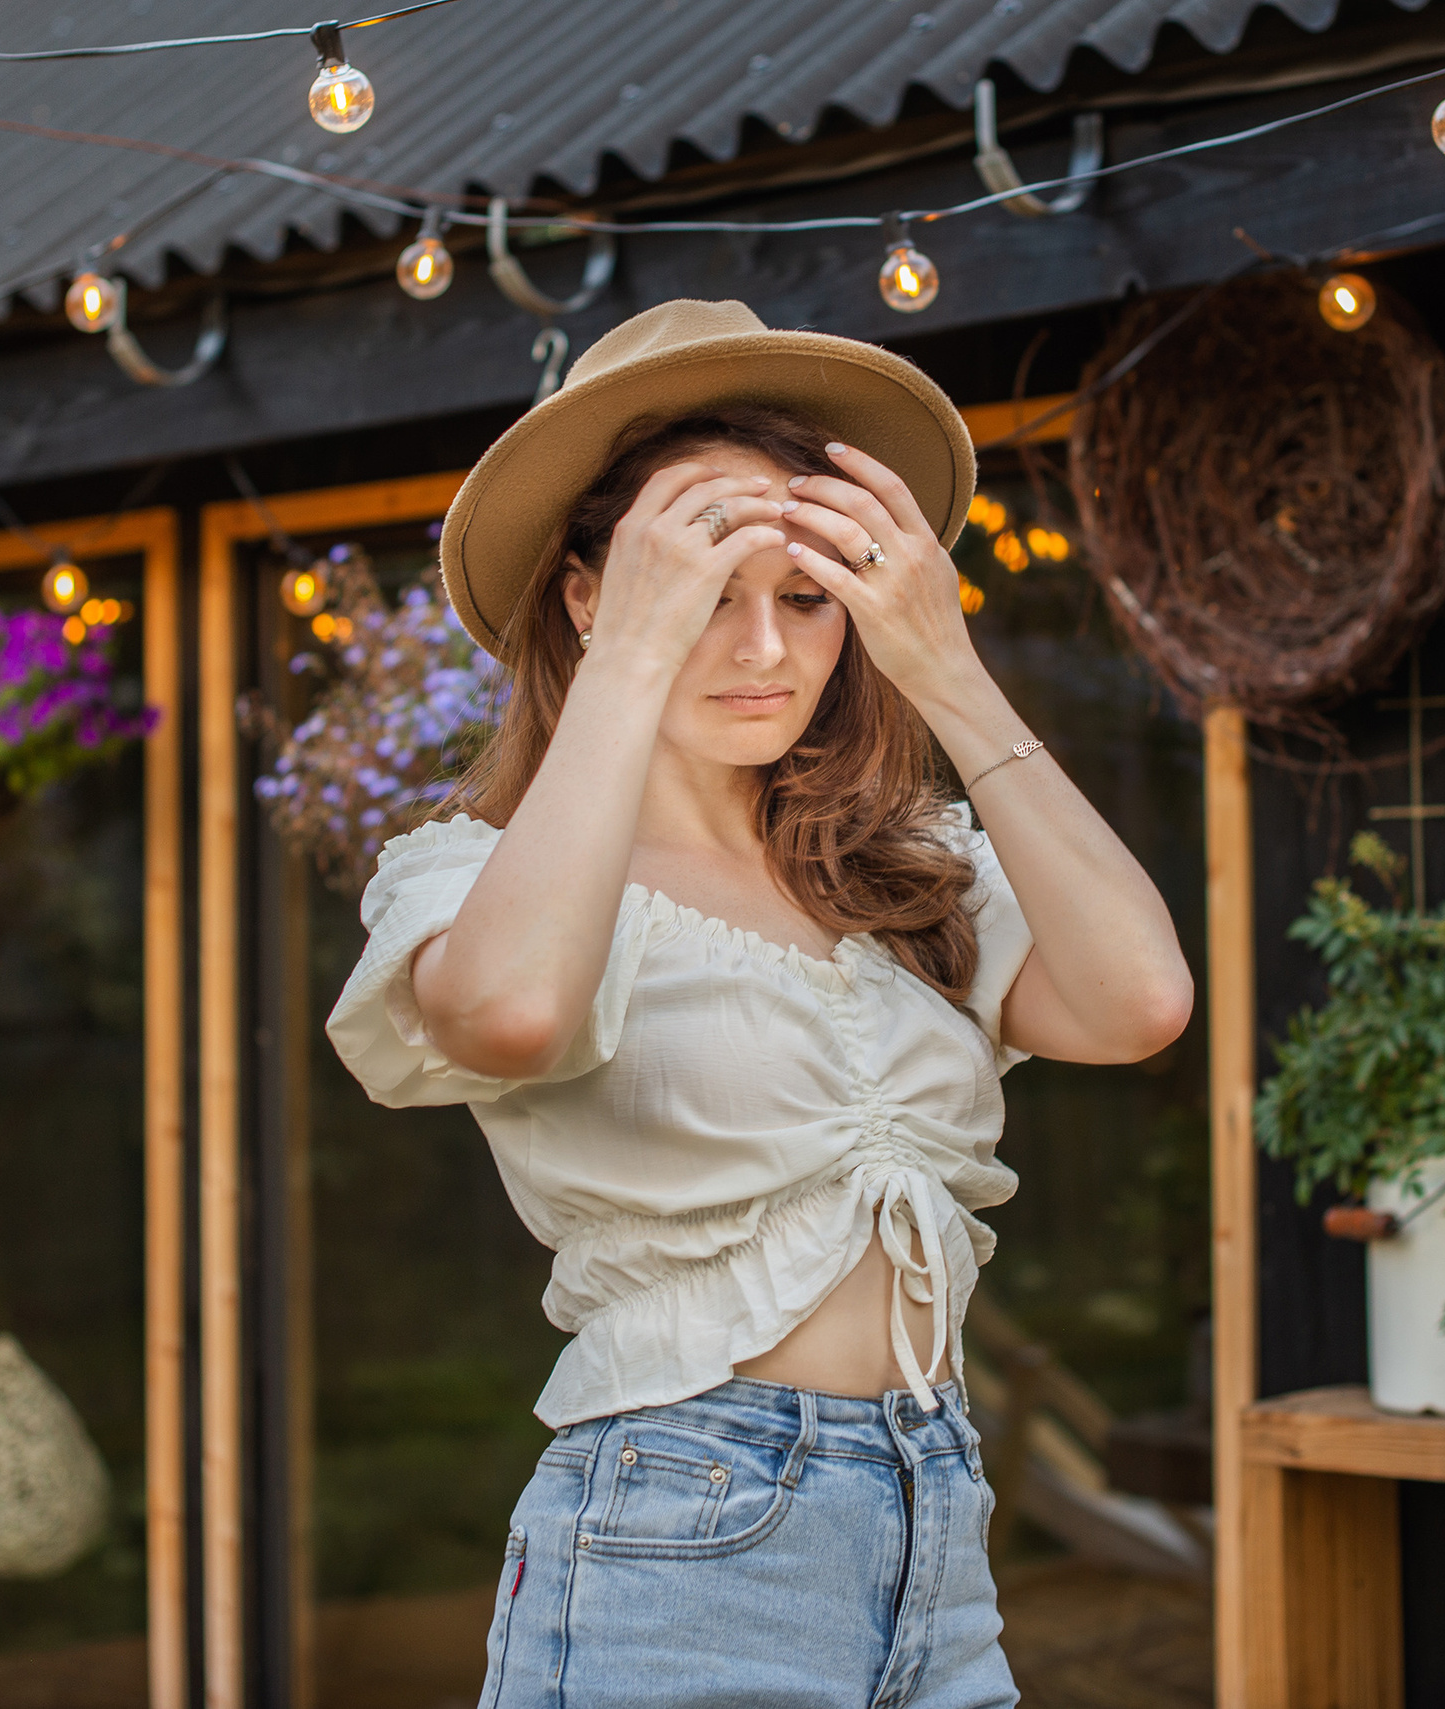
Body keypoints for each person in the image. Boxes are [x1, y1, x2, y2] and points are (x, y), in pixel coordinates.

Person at [327, 299, 1191, 1709]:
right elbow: (507, 1015)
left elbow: (1142, 997)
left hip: (938, 1522)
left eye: (806, 597)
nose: (767, 649)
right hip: (680, 1534)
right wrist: (632, 658)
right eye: (704, 587)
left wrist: (942, 662)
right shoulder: (475, 875)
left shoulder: (912, 871)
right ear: (587, 589)